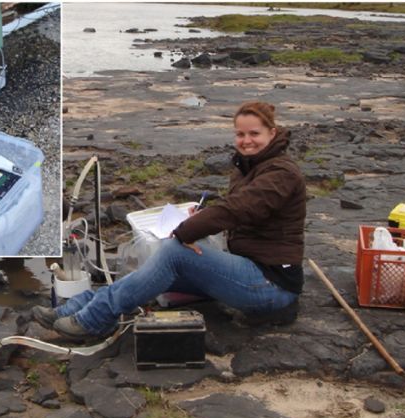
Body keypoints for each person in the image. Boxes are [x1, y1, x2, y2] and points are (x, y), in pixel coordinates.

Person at [36, 101, 306, 339]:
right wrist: (202, 215)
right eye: (240, 134)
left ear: (272, 133)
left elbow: (238, 209)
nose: (246, 140)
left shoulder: (282, 173)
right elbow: (241, 208)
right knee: (153, 271)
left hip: (272, 285)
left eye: (254, 134)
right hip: (249, 270)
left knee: (174, 252)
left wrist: (184, 232)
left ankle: (93, 320)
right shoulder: (250, 167)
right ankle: (80, 307)